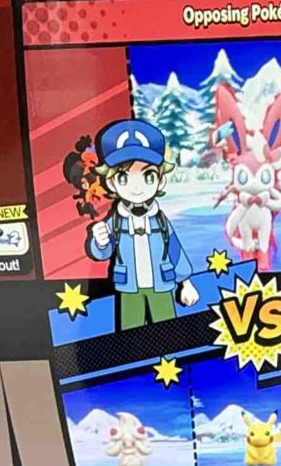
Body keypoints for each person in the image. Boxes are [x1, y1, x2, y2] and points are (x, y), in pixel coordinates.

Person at [83, 117, 202, 329]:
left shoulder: (160, 220)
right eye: (123, 178)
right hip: (129, 289)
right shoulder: (116, 220)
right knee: (130, 336)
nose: (137, 188)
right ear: (110, 182)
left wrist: (186, 283)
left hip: (162, 286)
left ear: (160, 180)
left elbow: (175, 251)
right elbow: (103, 253)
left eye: (148, 176)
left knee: (168, 335)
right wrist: (100, 242)